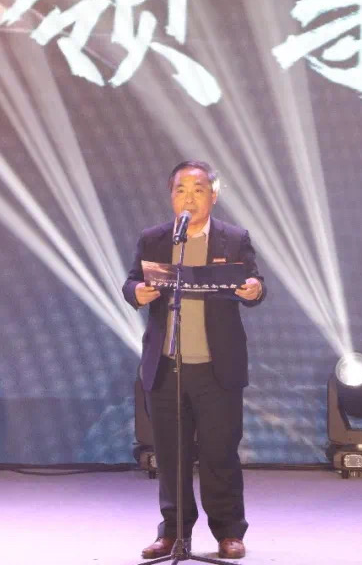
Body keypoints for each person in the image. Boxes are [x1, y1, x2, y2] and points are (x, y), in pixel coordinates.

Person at [123, 160, 266, 560]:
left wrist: (254, 289)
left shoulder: (233, 238)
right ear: (171, 196)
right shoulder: (154, 239)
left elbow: (254, 282)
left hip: (217, 368)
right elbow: (131, 281)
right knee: (171, 457)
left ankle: (228, 531)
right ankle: (173, 532)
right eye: (181, 190)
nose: (189, 198)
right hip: (166, 366)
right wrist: (136, 292)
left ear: (213, 195)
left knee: (220, 453)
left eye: (198, 189)